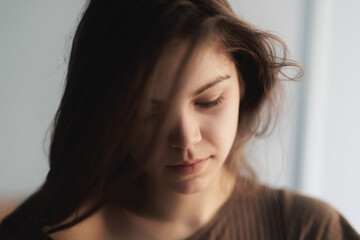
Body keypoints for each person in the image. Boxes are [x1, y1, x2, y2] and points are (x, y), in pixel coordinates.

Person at [0, 0, 359, 239]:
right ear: (107, 114)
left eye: (208, 101)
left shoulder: (309, 230)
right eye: (147, 112)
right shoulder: (46, 228)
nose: (185, 139)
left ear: (244, 85)